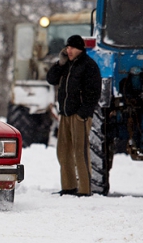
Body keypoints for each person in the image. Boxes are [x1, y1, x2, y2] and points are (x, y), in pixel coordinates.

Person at [46, 35, 102, 196]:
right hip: (65, 114)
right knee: (63, 152)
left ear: (80, 49)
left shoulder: (89, 66)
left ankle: (84, 189)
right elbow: (51, 79)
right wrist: (60, 63)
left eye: (72, 48)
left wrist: (83, 113)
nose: (68, 50)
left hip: (79, 116)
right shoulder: (66, 65)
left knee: (80, 151)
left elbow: (94, 92)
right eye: (67, 47)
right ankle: (69, 187)